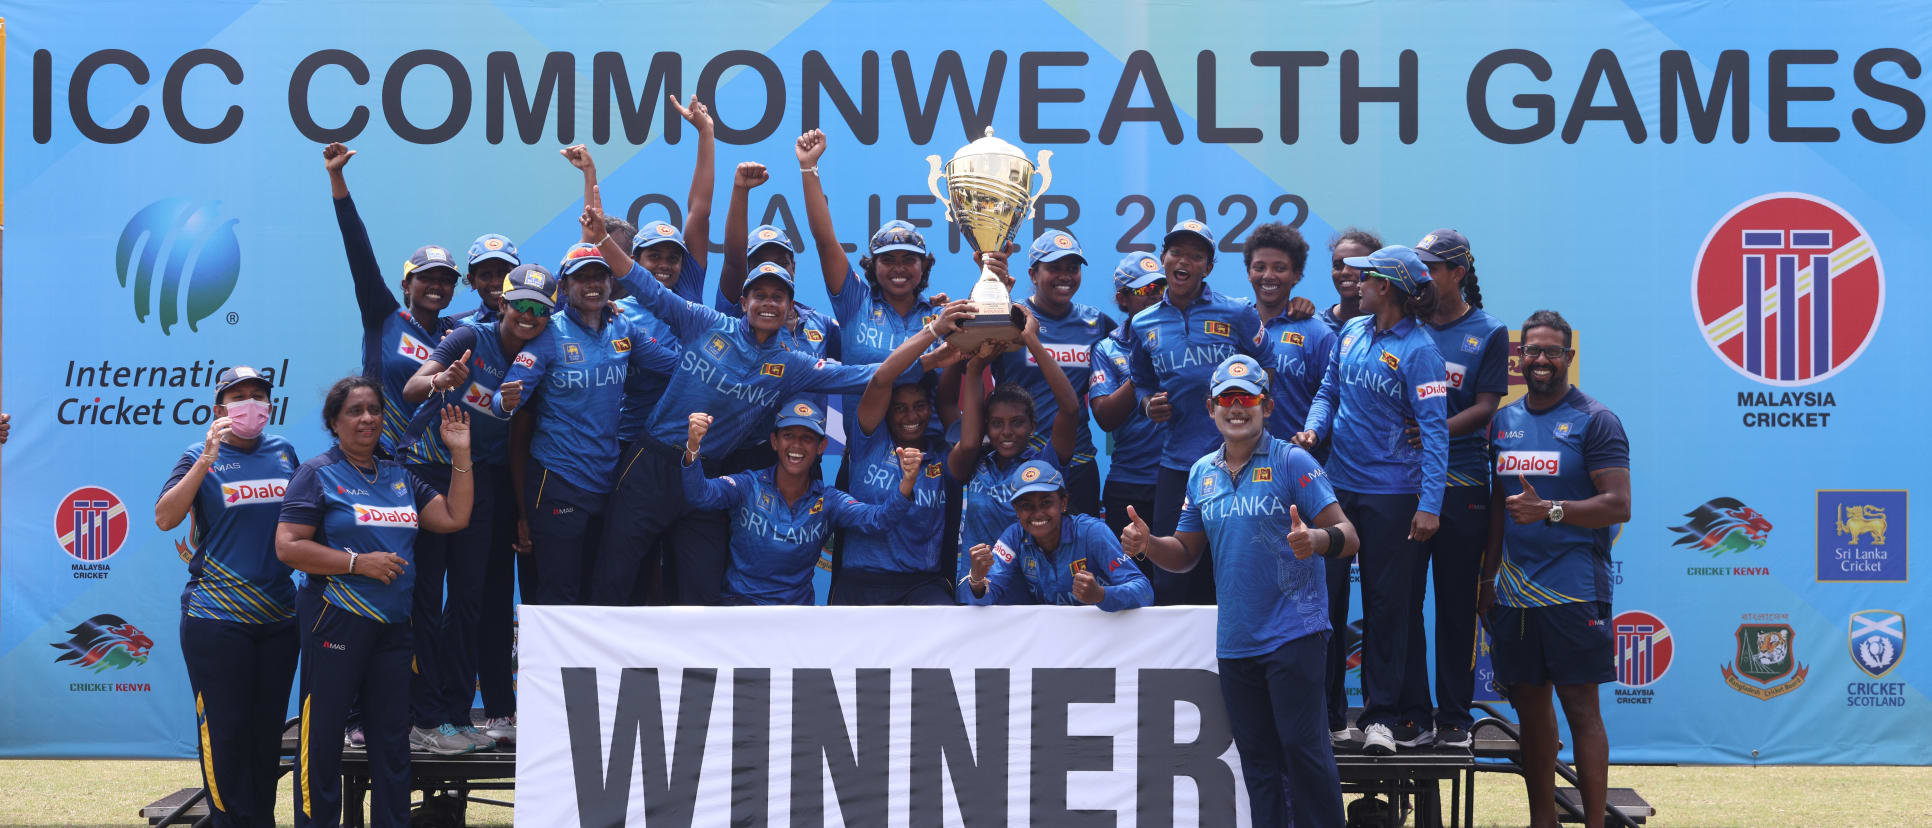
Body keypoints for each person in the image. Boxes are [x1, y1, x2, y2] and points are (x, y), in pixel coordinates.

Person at [585, 204, 934, 606]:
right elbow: (645, 286)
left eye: (779, 297)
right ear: (745, 300)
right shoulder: (706, 323)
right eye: (761, 295)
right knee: (617, 576)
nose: (769, 303)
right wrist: (602, 241)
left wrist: (932, 347)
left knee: (700, 588)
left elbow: (870, 375)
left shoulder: (791, 363)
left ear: (790, 306)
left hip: (708, 472)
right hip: (653, 463)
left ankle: (694, 671)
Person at [1122, 354, 1357, 827]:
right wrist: (1147, 545)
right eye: (1226, 399)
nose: (1236, 408)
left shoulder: (1294, 461)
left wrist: (1315, 539)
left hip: (1295, 633)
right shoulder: (1201, 472)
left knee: (1303, 750)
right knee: (1258, 761)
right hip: (1236, 642)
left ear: (1265, 406)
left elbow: (1349, 536)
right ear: (1210, 408)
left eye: (1246, 398)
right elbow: (1186, 553)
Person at [276, 377, 473, 828]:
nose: (367, 419)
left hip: (393, 627)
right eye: (354, 411)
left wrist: (460, 453)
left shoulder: (398, 474)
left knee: (391, 741)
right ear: (333, 422)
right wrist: (356, 563)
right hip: (336, 619)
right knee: (323, 738)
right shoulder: (317, 473)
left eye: (374, 410)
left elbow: (453, 517)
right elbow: (288, 546)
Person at [1294, 244, 1448, 755]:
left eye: (1364, 279)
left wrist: (1429, 505)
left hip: (1395, 496)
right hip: (1338, 490)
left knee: (1386, 607)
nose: (1353, 284)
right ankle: (1332, 716)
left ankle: (1382, 719)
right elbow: (1327, 393)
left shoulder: (1421, 349)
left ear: (1386, 287)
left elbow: (1435, 433)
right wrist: (1314, 434)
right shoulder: (1353, 331)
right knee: (1327, 601)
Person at [1481, 310, 1630, 828]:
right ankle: (1541, 819)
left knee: (1581, 713)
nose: (1540, 359)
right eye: (1532, 351)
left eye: (1552, 351)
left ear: (1569, 357)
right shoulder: (1503, 421)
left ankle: (1593, 823)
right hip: (1516, 595)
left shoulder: (1596, 419)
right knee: (1531, 716)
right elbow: (1499, 506)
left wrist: (1553, 510)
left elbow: (1618, 504)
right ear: (1519, 359)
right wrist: (1487, 577)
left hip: (1573, 591)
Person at [400, 264, 559, 749]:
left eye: (539, 309)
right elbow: (410, 391)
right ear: (502, 305)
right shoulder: (471, 335)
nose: (528, 316)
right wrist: (443, 378)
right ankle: (423, 719)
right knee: (427, 599)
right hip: (427, 471)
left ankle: (453, 716)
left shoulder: (542, 350)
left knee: (469, 600)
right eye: (520, 306)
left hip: (479, 477)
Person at [155, 366, 302, 828]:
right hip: (216, 619)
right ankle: (229, 821)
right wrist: (205, 461)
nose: (251, 403)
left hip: (279, 616)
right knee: (225, 732)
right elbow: (165, 518)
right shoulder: (197, 454)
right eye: (239, 397)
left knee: (265, 734)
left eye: (259, 395)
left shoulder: (283, 452)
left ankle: (260, 820)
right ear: (219, 409)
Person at [492, 245, 677, 606]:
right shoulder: (548, 336)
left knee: (601, 592)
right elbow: (503, 402)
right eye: (582, 277)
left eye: (599, 275)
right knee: (560, 593)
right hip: (559, 480)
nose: (592, 284)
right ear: (564, 285)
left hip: (608, 480)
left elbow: (673, 365)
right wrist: (505, 402)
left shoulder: (622, 325)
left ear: (611, 282)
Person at [1401, 229, 1509, 749]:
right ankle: (1414, 714)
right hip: (1404, 485)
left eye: (1432, 268)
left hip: (1463, 486)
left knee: (1455, 607)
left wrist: (1437, 429)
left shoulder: (1488, 330)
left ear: (1458, 273)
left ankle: (1454, 718)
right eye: (1417, 268)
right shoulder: (1403, 326)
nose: (1422, 277)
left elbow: (1487, 407)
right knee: (1402, 604)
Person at [1125, 219, 1270, 602]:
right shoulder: (1143, 322)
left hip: (1240, 465)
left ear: (1208, 266)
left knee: (1236, 573)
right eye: (1177, 252)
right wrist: (1146, 403)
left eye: (1196, 255)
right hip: (1178, 464)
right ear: (1163, 259)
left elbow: (1267, 368)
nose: (1184, 261)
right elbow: (1141, 379)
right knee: (1172, 578)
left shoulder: (1237, 312)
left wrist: (1249, 423)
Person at [682, 400, 921, 605]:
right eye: (788, 436)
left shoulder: (828, 501)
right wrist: (693, 447)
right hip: (741, 608)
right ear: (774, 442)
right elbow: (700, 494)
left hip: (796, 618)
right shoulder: (748, 485)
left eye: (807, 438)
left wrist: (907, 482)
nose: (796, 445)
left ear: (821, 447)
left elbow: (878, 520)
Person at [796, 129, 944, 443]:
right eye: (889, 260)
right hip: (863, 461)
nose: (900, 268)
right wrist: (809, 168)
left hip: (927, 465)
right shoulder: (855, 303)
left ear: (924, 266)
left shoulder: (939, 317)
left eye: (909, 259)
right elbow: (825, 242)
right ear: (872, 267)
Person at [322, 142, 460, 458]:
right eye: (426, 277)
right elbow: (358, 251)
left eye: (446, 280)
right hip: (381, 456)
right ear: (406, 285)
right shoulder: (383, 316)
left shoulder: (455, 333)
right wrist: (337, 180)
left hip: (437, 465)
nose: (437, 285)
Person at [830, 306, 971, 605]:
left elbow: (964, 431)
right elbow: (882, 379)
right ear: (886, 412)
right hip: (862, 582)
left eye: (919, 405)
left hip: (921, 586)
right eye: (900, 408)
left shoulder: (942, 457)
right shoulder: (867, 440)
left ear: (929, 408)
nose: (911, 415)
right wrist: (932, 334)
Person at [944, 309, 1082, 599]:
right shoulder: (973, 461)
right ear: (985, 426)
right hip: (976, 588)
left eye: (1017, 423)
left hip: (1029, 595)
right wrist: (975, 367)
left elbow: (1070, 409)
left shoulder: (1044, 464)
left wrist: (1031, 340)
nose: (1006, 432)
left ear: (1032, 426)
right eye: (996, 424)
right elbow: (969, 442)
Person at [981, 230, 1116, 516]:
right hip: (1020, 459)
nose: (1065, 276)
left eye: (1073, 268)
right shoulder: (1012, 318)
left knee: (1079, 555)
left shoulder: (1096, 323)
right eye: (1054, 268)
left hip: (1077, 462)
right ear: (1032, 274)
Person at [557, 93, 714, 304]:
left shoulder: (687, 285)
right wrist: (589, 173)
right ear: (633, 261)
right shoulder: (616, 312)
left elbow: (699, 210)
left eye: (673, 258)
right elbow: (590, 241)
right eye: (654, 256)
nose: (664, 265)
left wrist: (706, 132)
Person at [962, 460, 1151, 610]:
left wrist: (1101, 595)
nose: (1037, 513)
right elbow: (985, 599)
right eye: (1026, 505)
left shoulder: (1093, 533)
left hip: (1104, 639)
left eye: (1046, 503)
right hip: (1053, 643)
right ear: (1016, 511)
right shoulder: (1013, 537)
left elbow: (1144, 591)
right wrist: (977, 580)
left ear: (1063, 503)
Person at [1245, 223, 1335, 441]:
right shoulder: (1235, 327)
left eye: (1279, 268)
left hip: (1300, 463)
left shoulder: (1319, 335)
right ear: (1248, 272)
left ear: (1296, 275)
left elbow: (1333, 398)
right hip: (1240, 465)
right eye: (1259, 267)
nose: (1268, 275)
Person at [1321, 227, 1381, 331]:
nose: (1345, 272)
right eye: (1337, 265)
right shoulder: (1317, 325)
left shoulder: (1389, 327)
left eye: (1355, 265)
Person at [452, 234, 520, 324]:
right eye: (486, 275)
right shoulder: (461, 329)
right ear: (472, 281)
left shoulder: (537, 323)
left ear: (519, 276)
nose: (495, 283)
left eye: (503, 274)